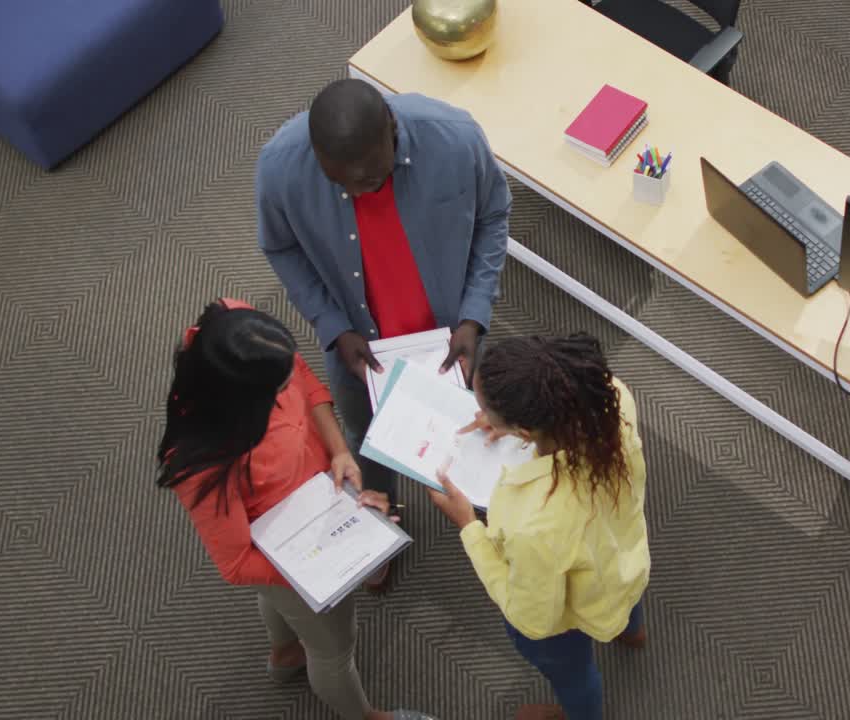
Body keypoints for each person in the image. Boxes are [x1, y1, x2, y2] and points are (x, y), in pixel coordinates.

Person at [256, 78, 511, 589]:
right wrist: (331, 326)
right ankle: (381, 521)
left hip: (452, 341)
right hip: (358, 352)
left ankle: (484, 517)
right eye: (341, 183)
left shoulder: (455, 139)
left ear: (392, 133)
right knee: (366, 440)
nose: (356, 192)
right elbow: (280, 248)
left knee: (468, 432)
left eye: (371, 178)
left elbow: (492, 214)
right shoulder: (281, 167)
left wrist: (474, 314)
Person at [156, 298, 434, 720]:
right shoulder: (202, 464)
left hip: (317, 508)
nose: (291, 386)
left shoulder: (239, 327)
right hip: (287, 559)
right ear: (244, 401)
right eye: (278, 389)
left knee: (286, 612)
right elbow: (235, 564)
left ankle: (286, 652)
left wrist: (339, 451)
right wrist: (330, 561)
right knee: (335, 650)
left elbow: (304, 381)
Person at [426, 334, 650, 720]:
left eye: (483, 408)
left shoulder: (534, 520)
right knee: (623, 598)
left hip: (571, 612)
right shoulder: (610, 395)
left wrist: (469, 527)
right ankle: (633, 632)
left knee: (574, 675)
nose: (479, 413)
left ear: (525, 431)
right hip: (624, 559)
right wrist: (511, 422)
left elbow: (535, 618)